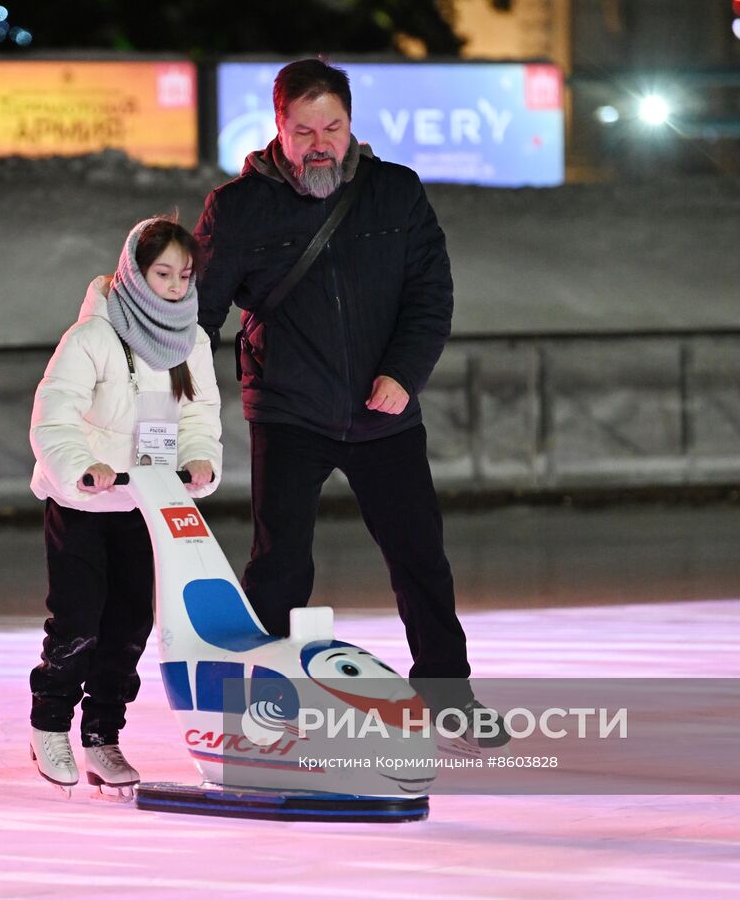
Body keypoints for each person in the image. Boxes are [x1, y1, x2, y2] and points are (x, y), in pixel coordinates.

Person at [192, 58, 508, 748]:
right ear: (278, 128)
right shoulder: (237, 208)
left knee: (420, 559)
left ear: (352, 124)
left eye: (331, 127)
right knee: (279, 566)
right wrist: (174, 409)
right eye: (304, 130)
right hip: (288, 410)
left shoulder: (395, 193)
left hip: (383, 413)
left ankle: (449, 698)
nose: (320, 144)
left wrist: (403, 374)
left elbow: (431, 295)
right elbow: (198, 317)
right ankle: (264, 707)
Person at [28, 217, 223, 796]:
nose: (174, 286)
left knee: (131, 625)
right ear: (135, 273)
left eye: (183, 275)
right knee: (79, 620)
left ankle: (102, 735)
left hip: (145, 502)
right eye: (162, 274)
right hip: (84, 503)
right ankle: (50, 725)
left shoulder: (191, 340)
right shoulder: (91, 337)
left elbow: (198, 414)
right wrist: (82, 467)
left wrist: (199, 458)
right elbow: (53, 416)